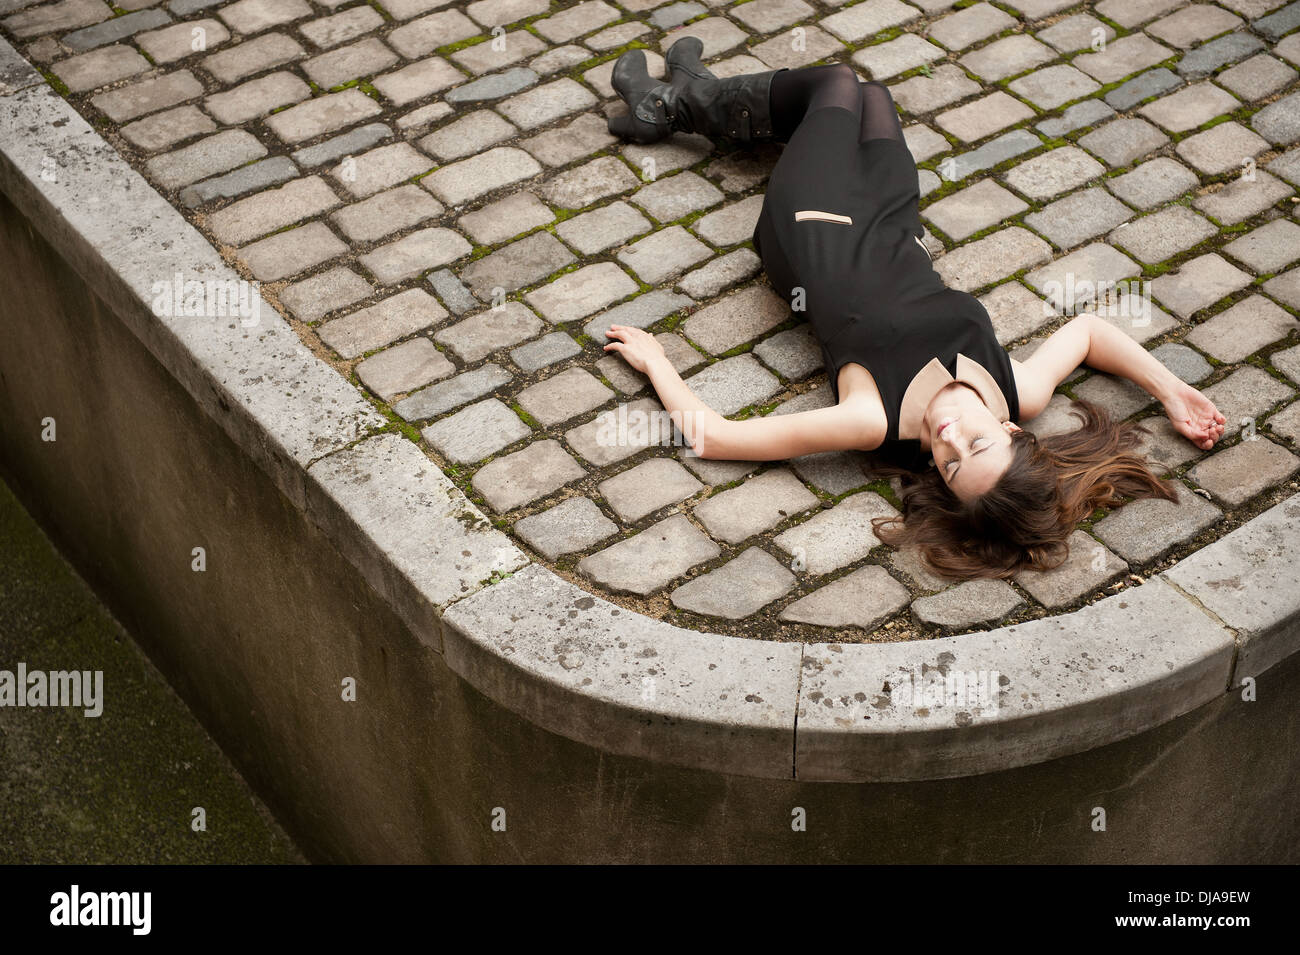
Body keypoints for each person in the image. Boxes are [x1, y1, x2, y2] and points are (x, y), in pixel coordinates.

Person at [600, 39, 1226, 580]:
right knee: (872, 95)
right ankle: (690, 95)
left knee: (837, 85)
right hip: (892, 220)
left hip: (814, 226)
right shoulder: (1019, 393)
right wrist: (1172, 392)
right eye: (976, 445)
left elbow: (718, 438)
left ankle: (670, 104)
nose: (948, 440)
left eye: (949, 466)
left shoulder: (874, 419)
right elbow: (1089, 332)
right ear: (1009, 432)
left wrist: (657, 363)